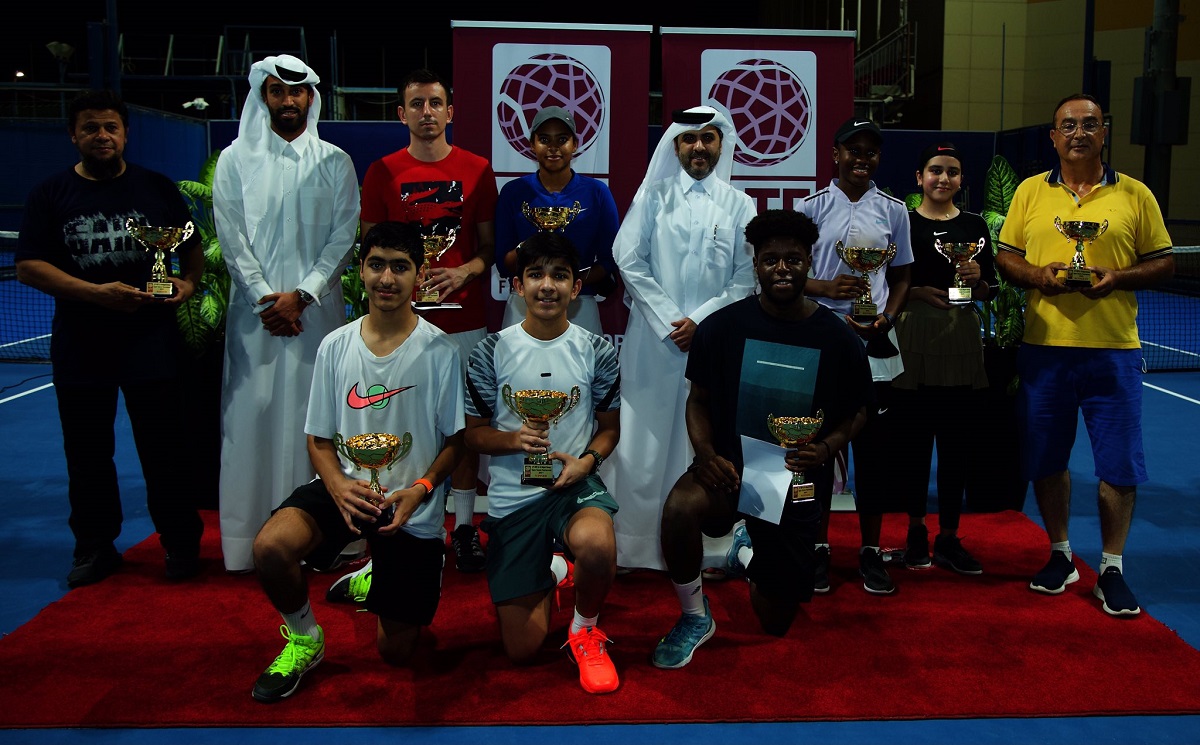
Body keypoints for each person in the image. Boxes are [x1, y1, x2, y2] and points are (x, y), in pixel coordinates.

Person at [249, 222, 466, 703]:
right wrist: (337, 488)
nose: (387, 278)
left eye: (400, 267)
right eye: (376, 265)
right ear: (360, 272)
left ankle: (378, 570)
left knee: (397, 652)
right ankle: (306, 637)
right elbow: (318, 439)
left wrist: (423, 489)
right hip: (346, 489)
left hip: (412, 507)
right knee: (270, 548)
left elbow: (456, 443)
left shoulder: (441, 351)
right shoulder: (334, 346)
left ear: (419, 274)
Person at [652, 209, 872, 669]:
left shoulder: (836, 337)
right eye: (771, 260)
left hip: (792, 480)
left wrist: (828, 449)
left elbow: (858, 411)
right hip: (729, 470)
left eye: (793, 260)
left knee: (775, 619)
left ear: (810, 262)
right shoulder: (723, 327)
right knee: (678, 508)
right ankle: (694, 616)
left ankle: (747, 552)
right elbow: (697, 401)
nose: (782, 270)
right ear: (755, 264)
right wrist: (706, 454)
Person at [16, 90, 205, 587]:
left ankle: (181, 547)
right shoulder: (50, 195)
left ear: (125, 133)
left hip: (152, 346)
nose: (102, 136)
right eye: (91, 128)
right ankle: (96, 548)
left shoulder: (156, 188)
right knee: (87, 455)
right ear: (73, 134)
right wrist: (94, 294)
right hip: (82, 348)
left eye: (110, 128)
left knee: (166, 452)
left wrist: (186, 285)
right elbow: (29, 266)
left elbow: (193, 249)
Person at [996, 94, 1174, 617]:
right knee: (1047, 460)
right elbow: (1007, 256)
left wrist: (1119, 277)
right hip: (1043, 352)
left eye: (1089, 124)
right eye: (1067, 125)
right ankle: (1061, 555)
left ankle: (1112, 567)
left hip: (1114, 353)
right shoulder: (1030, 192)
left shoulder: (1135, 194)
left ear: (1105, 133)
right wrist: (1038, 276)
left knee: (1118, 466)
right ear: (1052, 137)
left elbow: (1162, 262)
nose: (1078, 132)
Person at [213, 54, 360, 573]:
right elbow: (231, 238)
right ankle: (249, 541)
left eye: (297, 93)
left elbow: (345, 237)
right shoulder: (234, 160)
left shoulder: (335, 161)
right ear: (263, 96)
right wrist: (265, 298)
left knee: (318, 420)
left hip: (317, 317)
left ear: (310, 98)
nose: (288, 101)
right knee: (252, 416)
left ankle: (320, 538)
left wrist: (304, 294)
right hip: (255, 322)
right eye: (278, 92)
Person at [464, 232, 622, 694]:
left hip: (572, 488)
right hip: (514, 498)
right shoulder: (489, 352)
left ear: (576, 288)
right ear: (517, 286)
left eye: (559, 276)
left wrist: (588, 461)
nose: (547, 286)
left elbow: (609, 428)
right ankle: (554, 570)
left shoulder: (598, 351)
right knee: (521, 649)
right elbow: (471, 435)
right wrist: (513, 439)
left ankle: (585, 629)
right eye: (535, 275)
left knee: (596, 544)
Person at [358, 68, 498, 573]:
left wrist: (465, 270)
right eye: (415, 104)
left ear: (450, 111)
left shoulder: (478, 170)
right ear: (401, 114)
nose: (426, 113)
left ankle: (462, 527)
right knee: (404, 423)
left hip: (464, 320)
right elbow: (370, 251)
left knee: (460, 427)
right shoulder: (382, 172)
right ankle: (412, 521)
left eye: (435, 103)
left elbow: (489, 249)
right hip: (402, 324)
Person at [606, 106, 756, 571]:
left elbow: (746, 274)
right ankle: (634, 547)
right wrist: (673, 320)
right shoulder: (652, 196)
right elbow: (626, 257)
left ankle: (708, 548)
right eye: (689, 139)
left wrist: (702, 323)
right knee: (642, 442)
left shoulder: (740, 204)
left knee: (704, 444)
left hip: (712, 347)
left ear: (720, 145)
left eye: (708, 138)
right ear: (675, 145)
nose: (698, 147)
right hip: (653, 344)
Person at [798, 117, 914, 596]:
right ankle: (818, 548)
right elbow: (786, 274)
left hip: (875, 344)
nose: (862, 159)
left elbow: (903, 274)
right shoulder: (808, 208)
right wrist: (824, 290)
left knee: (874, 452)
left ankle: (870, 550)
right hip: (824, 340)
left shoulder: (894, 210)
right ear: (835, 154)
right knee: (818, 451)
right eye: (853, 150)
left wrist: (885, 316)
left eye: (871, 152)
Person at [891, 142, 997, 574]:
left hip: (961, 339)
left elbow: (988, 287)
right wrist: (914, 292)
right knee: (914, 444)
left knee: (957, 446)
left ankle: (949, 538)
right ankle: (916, 534)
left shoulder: (976, 226)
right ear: (919, 177)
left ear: (961, 181)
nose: (943, 178)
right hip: (913, 335)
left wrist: (978, 279)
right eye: (935, 170)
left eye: (952, 171)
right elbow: (888, 280)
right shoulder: (903, 223)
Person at [494, 105, 620, 334]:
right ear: (532, 144)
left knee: (583, 370)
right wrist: (529, 247)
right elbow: (503, 264)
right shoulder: (513, 192)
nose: (553, 147)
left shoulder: (597, 193)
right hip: (524, 303)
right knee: (516, 369)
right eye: (544, 139)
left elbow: (609, 261)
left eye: (562, 139)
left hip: (579, 301)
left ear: (575, 144)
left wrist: (567, 282)